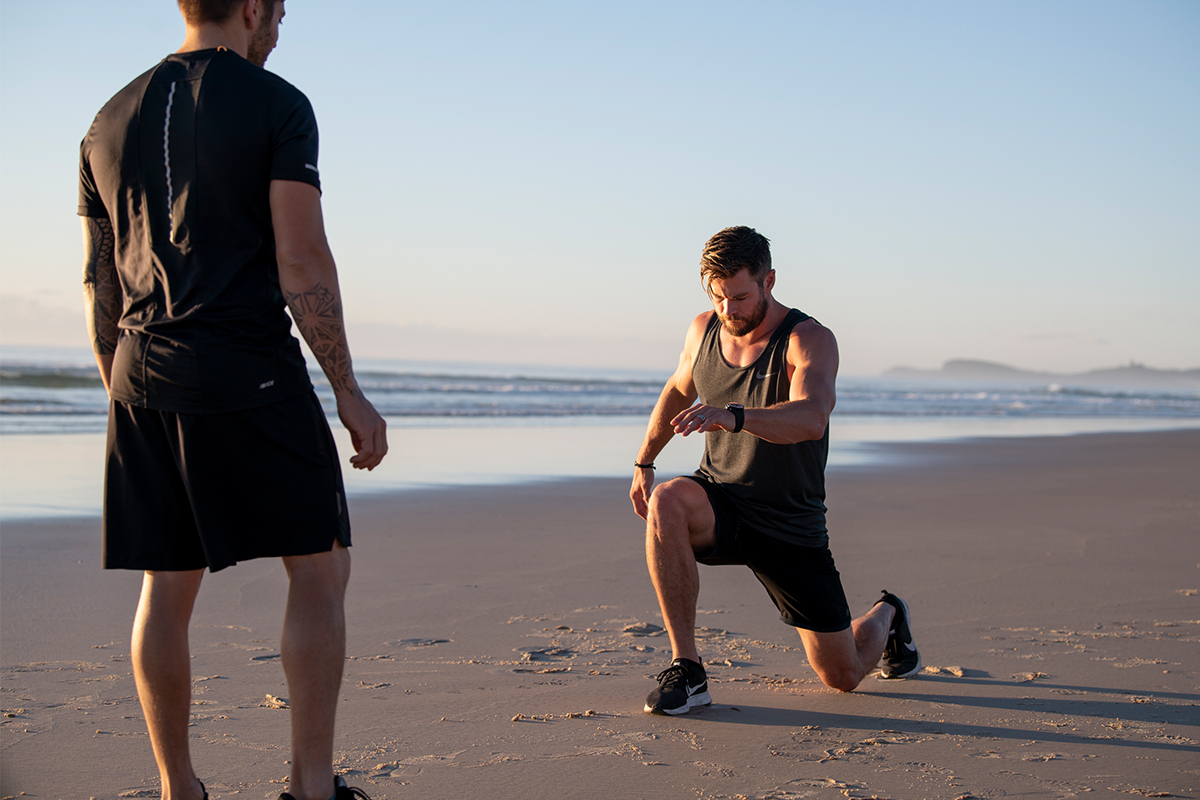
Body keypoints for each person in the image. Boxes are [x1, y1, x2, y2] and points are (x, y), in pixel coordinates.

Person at [78, 1, 385, 797]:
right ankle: (311, 788)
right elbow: (301, 260)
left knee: (166, 587)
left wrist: (125, 388)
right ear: (250, 8)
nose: (279, 28)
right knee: (320, 568)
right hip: (251, 368)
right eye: (279, 11)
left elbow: (102, 287)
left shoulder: (105, 120)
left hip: (142, 376)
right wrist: (348, 391)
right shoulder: (277, 103)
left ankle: (181, 790)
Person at [629, 225, 920, 716]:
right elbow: (678, 390)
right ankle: (688, 669)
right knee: (670, 499)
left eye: (740, 296)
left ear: (769, 281)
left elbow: (811, 417)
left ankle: (889, 614)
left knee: (842, 676)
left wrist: (734, 415)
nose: (730, 310)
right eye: (719, 297)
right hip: (721, 500)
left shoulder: (809, 339)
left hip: (789, 522)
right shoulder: (703, 330)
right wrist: (645, 461)